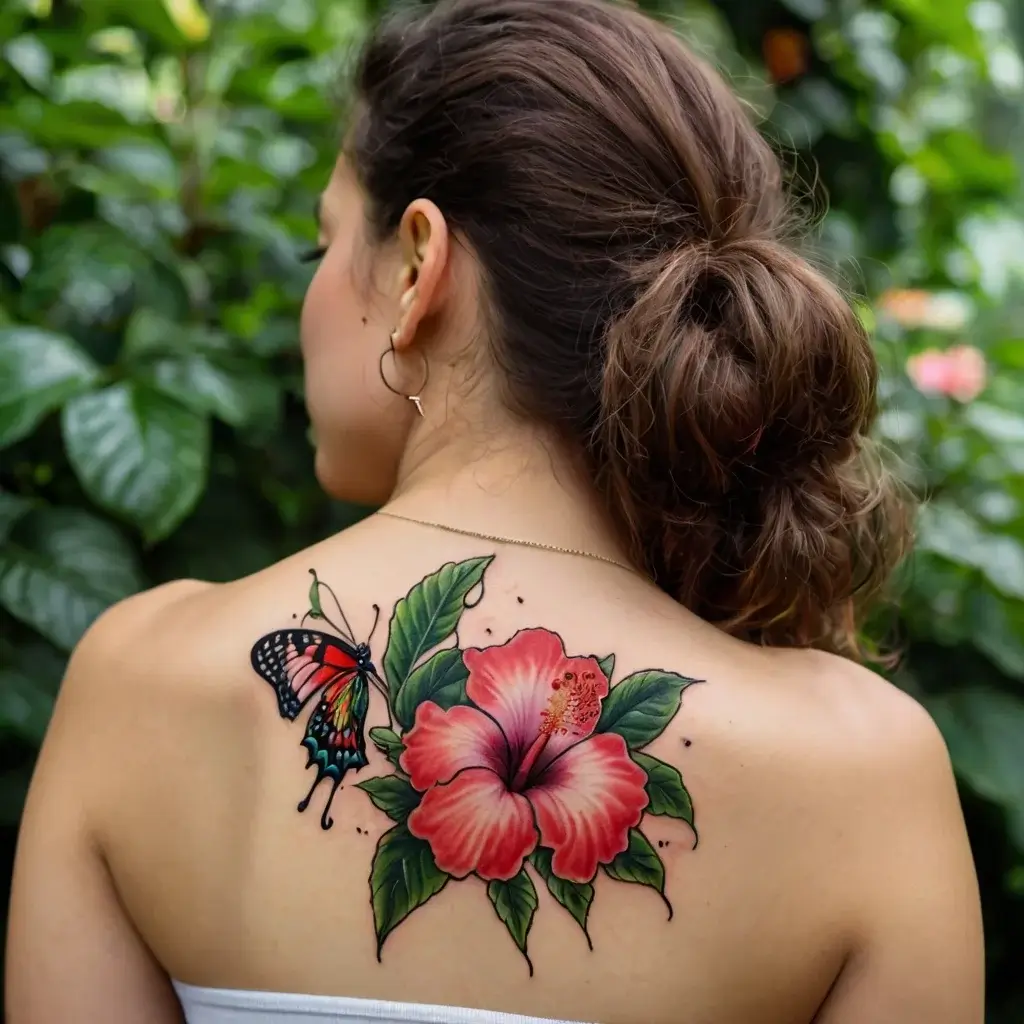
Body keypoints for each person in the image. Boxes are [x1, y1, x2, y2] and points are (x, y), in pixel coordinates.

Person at [6, 1, 984, 1022]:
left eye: (323, 247)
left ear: (418, 263)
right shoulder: (865, 775)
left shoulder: (138, 681)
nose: (313, 296)